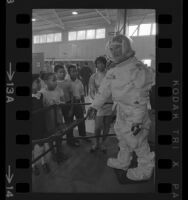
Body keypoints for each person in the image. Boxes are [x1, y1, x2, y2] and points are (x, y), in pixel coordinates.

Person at [87, 35, 155, 181]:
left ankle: (146, 169)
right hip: (122, 110)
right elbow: (104, 91)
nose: (115, 51)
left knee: (138, 141)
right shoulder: (114, 70)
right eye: (112, 48)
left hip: (136, 113)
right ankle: (123, 161)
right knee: (122, 138)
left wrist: (137, 121)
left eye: (118, 47)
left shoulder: (137, 69)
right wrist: (94, 106)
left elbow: (140, 98)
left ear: (126, 47)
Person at [41, 73, 69, 164]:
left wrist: (59, 102)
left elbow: (63, 101)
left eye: (56, 80)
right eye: (53, 80)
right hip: (49, 119)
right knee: (51, 136)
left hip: (59, 117)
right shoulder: (42, 93)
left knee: (59, 135)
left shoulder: (59, 89)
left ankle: (59, 152)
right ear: (46, 82)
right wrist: (49, 105)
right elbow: (41, 107)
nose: (56, 82)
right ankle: (53, 154)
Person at [89, 56, 113, 153]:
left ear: (105, 64)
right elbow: (91, 91)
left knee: (107, 125)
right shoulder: (93, 77)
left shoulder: (110, 75)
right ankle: (96, 143)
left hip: (110, 103)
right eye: (98, 63)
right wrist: (97, 101)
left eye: (102, 63)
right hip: (99, 105)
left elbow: (114, 89)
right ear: (96, 64)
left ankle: (103, 143)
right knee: (97, 126)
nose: (100, 65)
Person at [54, 64, 80, 147]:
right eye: (60, 72)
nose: (63, 73)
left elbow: (72, 95)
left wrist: (71, 108)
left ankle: (70, 140)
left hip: (68, 104)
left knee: (69, 123)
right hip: (57, 107)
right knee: (58, 125)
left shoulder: (68, 82)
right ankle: (59, 143)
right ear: (55, 73)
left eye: (63, 72)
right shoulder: (53, 84)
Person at [68, 65, 91, 144]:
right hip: (69, 104)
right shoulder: (67, 82)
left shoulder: (79, 82)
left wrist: (83, 106)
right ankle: (70, 138)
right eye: (72, 71)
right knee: (70, 122)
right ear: (69, 73)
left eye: (75, 71)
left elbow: (82, 95)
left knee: (81, 120)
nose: (75, 73)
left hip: (78, 103)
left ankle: (83, 135)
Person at [32, 74, 50, 175]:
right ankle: (33, 165)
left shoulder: (41, 95)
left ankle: (44, 162)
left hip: (41, 125)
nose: (39, 84)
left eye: (39, 81)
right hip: (31, 127)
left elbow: (44, 107)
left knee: (42, 145)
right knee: (31, 148)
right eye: (37, 82)